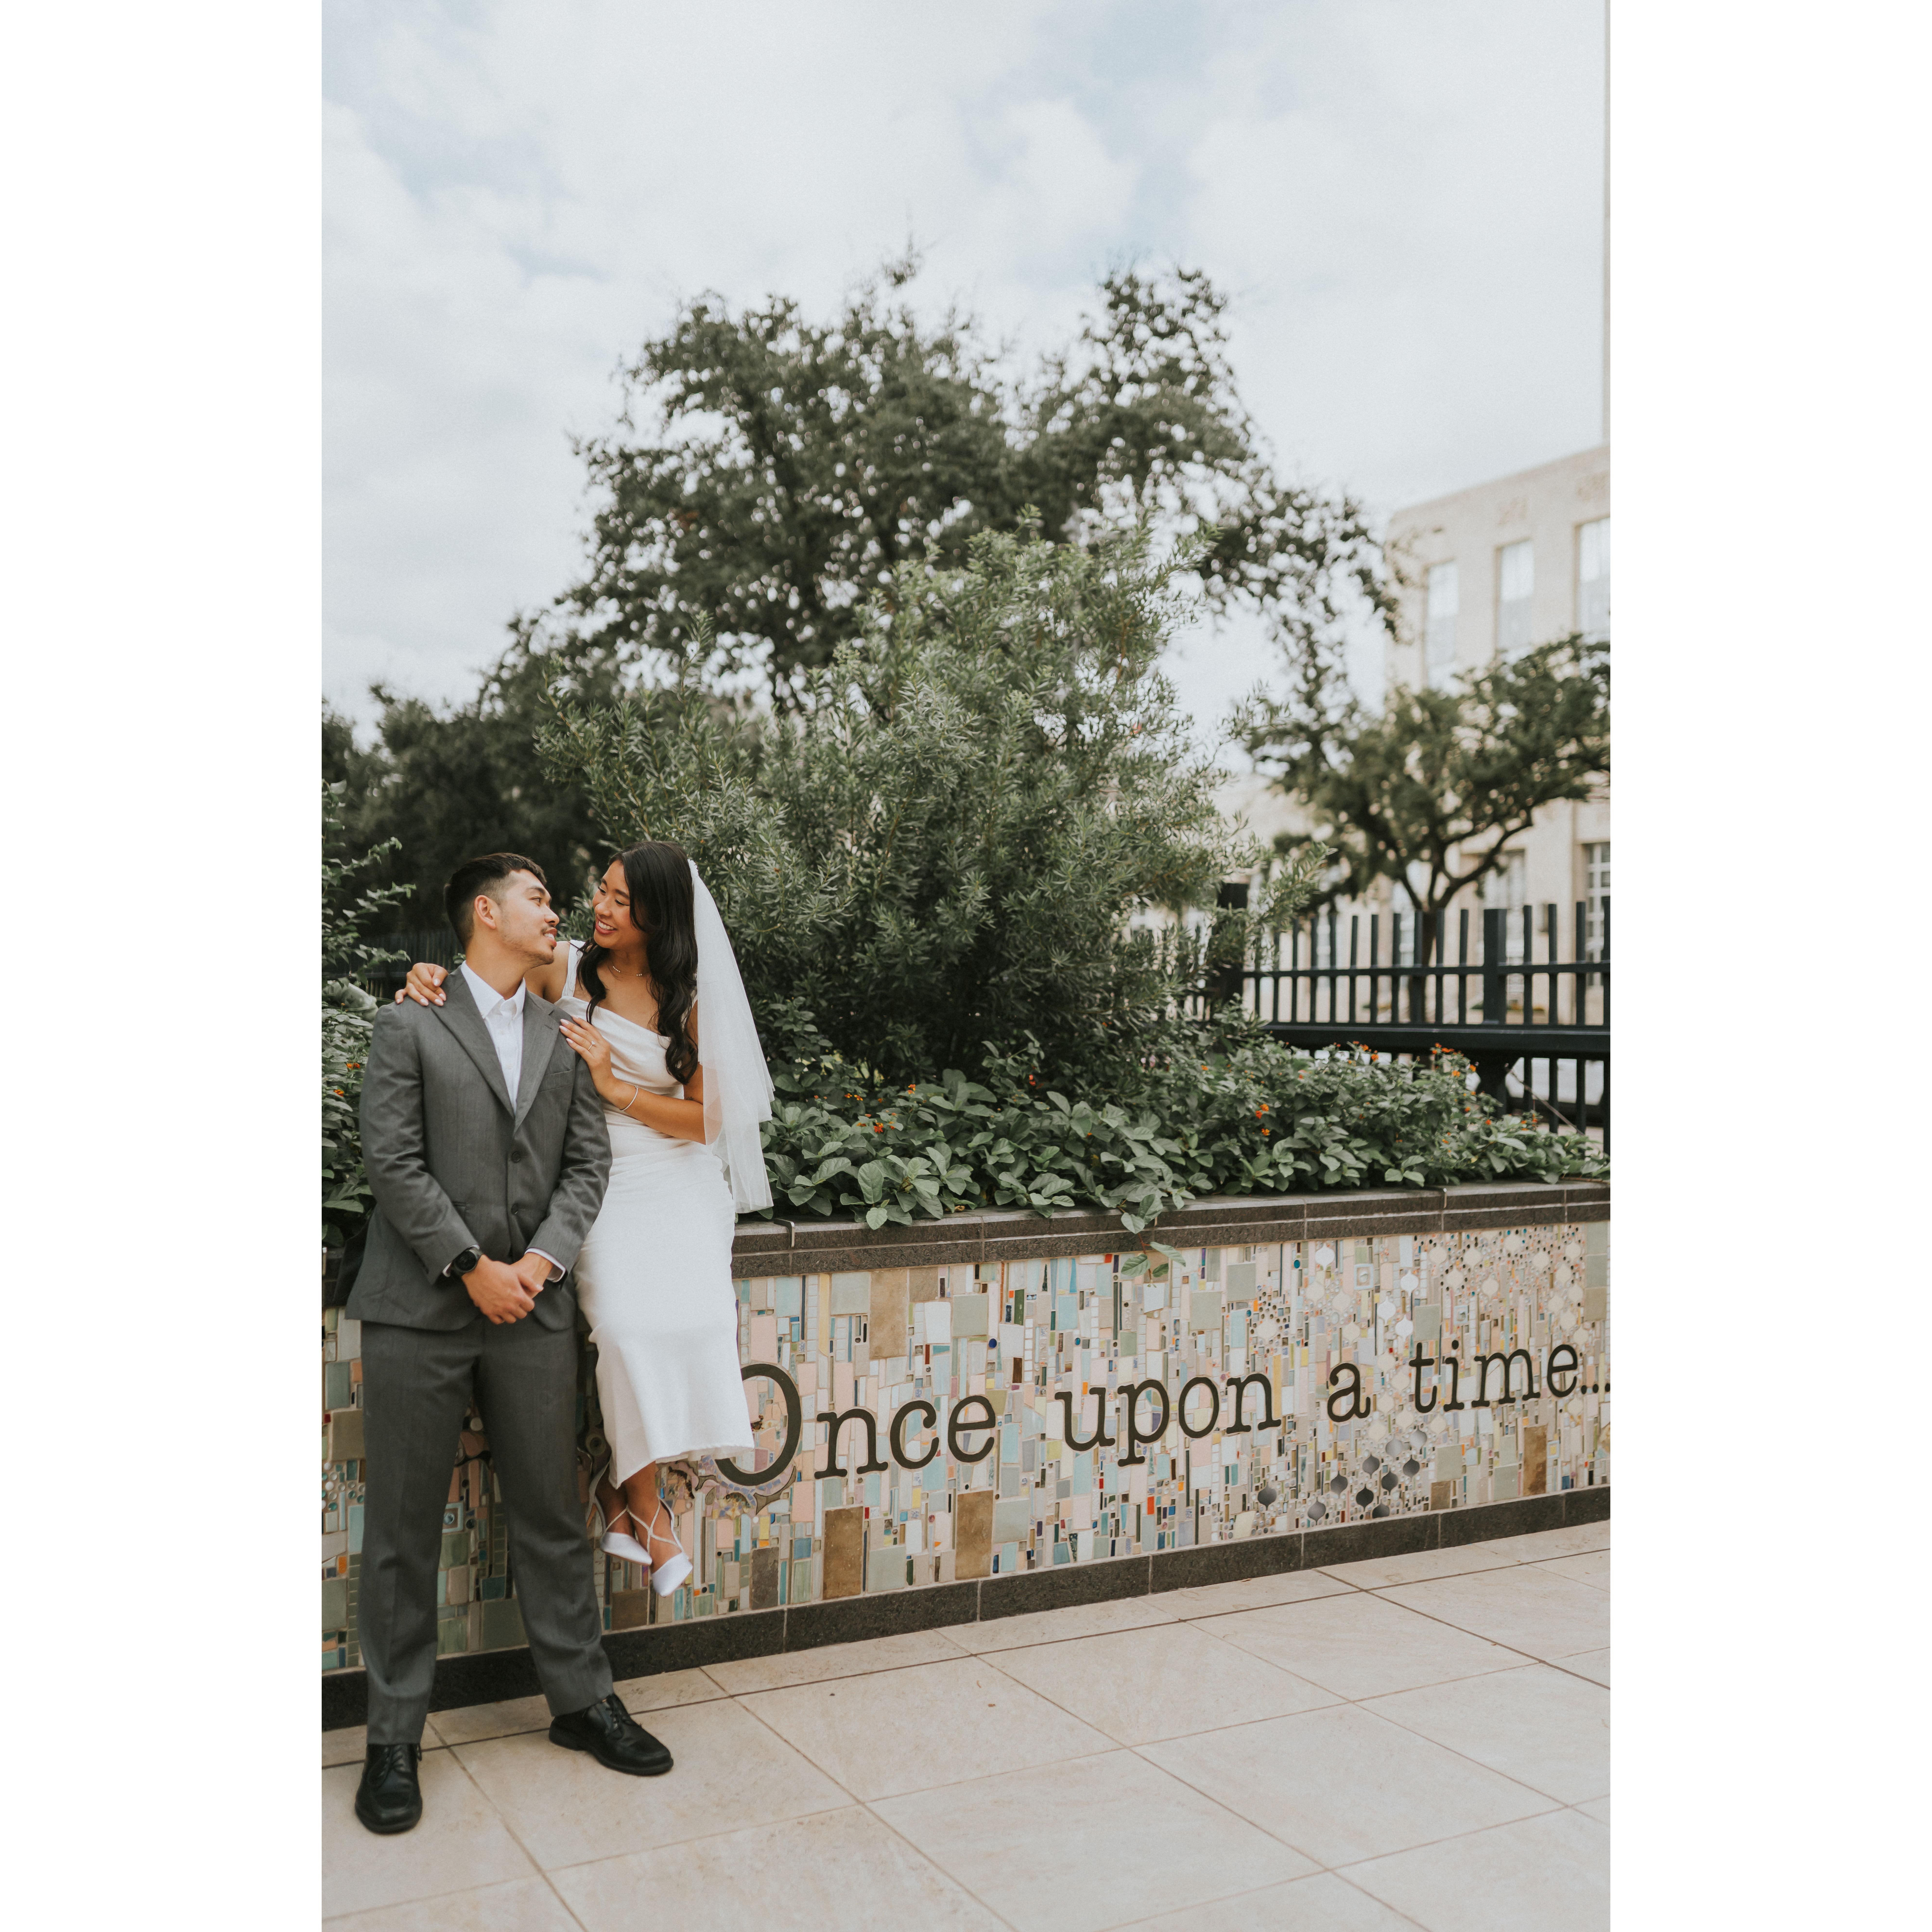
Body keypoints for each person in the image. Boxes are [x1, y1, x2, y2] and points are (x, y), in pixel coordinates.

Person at [351, 853, 673, 1837]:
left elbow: (586, 1166)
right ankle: (393, 1736)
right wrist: (468, 1266)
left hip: (532, 1310)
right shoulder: (408, 1020)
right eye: (538, 897)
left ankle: (582, 1702)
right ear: (484, 911)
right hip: (420, 1310)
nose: (558, 913)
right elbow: (392, 1160)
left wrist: (534, 1263)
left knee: (547, 1511)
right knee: (402, 1531)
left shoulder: (563, 1034)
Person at [399, 840, 772, 1601]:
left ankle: (625, 1496)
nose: (599, 908)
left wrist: (613, 1082)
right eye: (601, 890)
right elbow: (483, 983)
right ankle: (643, 1504)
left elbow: (707, 1122)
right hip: (595, 1176)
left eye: (621, 901)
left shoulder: (689, 993)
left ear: (659, 917)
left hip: (677, 1173)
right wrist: (427, 973)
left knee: (697, 1326)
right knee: (624, 1331)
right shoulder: (563, 967)